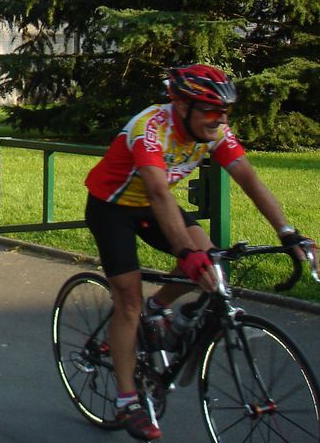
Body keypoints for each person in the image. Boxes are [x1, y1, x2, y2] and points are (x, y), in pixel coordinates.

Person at [84, 64, 315, 441]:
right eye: (211, 110)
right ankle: (127, 401)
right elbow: (159, 193)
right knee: (128, 300)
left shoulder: (214, 131)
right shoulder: (151, 129)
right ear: (180, 104)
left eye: (225, 111)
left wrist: (287, 232)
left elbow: (249, 178)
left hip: (153, 205)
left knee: (211, 261)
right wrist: (184, 252)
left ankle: (159, 308)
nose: (220, 119)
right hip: (113, 207)